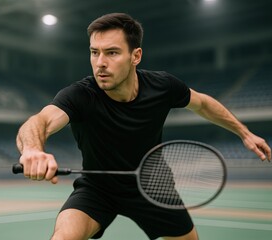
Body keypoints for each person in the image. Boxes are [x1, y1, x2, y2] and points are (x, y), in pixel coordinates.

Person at [16, 13, 271, 240]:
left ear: (135, 55)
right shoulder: (80, 95)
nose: (100, 62)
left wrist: (244, 133)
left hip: (153, 185)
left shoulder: (162, 86)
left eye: (112, 52)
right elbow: (41, 120)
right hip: (98, 187)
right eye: (95, 52)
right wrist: (32, 149)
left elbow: (203, 103)